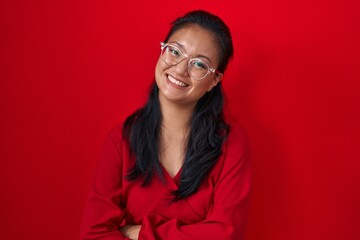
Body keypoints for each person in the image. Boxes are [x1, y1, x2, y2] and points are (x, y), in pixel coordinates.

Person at [80, 9, 251, 240]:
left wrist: (142, 233)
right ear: (162, 52)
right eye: (174, 51)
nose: (180, 69)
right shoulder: (120, 140)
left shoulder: (231, 144)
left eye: (199, 64)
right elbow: (93, 234)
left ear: (214, 80)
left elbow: (225, 234)